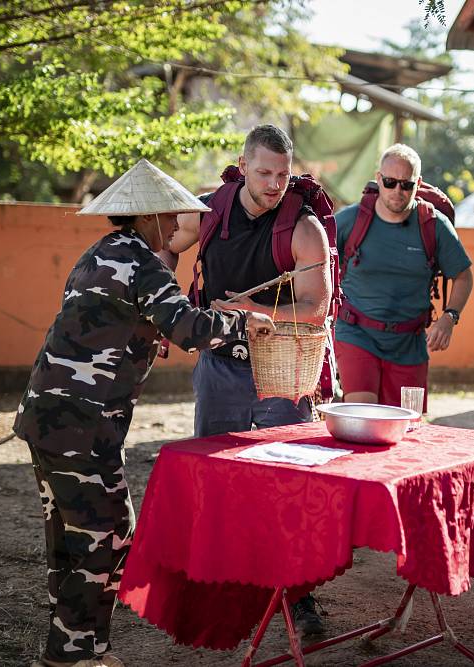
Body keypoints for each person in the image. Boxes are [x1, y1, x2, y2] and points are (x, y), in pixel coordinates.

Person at [14, 159, 274, 667]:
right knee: (105, 537)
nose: (180, 224)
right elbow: (191, 330)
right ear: (149, 216)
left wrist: (144, 336)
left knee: (78, 540)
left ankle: (81, 649)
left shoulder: (101, 253)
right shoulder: (142, 262)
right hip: (79, 426)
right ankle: (70, 654)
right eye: (173, 215)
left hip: (50, 417)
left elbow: (111, 323)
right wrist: (243, 322)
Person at [162, 124, 331, 634]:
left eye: (282, 173)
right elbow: (166, 243)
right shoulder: (211, 209)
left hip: (280, 369)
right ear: (244, 164)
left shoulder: (302, 229)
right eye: (264, 172)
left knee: (289, 485)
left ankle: (298, 597)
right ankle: (215, 583)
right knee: (212, 477)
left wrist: (253, 307)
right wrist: (163, 292)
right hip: (219, 366)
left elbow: (316, 307)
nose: (275, 182)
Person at [335, 144, 474, 409]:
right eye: (390, 182)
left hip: (409, 341)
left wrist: (450, 317)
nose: (397, 191)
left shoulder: (433, 225)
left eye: (406, 184)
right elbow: (315, 257)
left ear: (417, 184)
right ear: (379, 179)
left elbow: (464, 276)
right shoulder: (352, 220)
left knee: (404, 426)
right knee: (362, 414)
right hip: (356, 332)